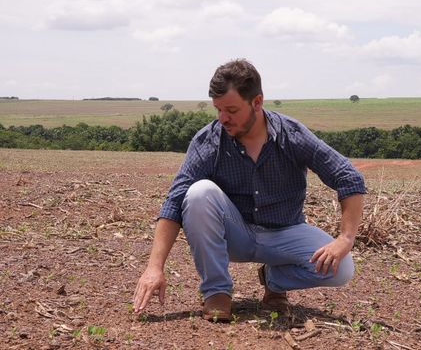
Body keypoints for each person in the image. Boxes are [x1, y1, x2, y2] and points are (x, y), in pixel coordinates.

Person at [133, 59, 366, 321]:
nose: (223, 118)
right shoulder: (208, 141)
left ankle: (273, 280)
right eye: (218, 109)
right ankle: (217, 292)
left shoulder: (291, 135)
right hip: (235, 233)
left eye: (231, 110)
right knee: (198, 193)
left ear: (257, 102)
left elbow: (347, 176)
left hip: (285, 232)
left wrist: (345, 239)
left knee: (342, 268)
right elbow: (175, 202)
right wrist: (154, 267)